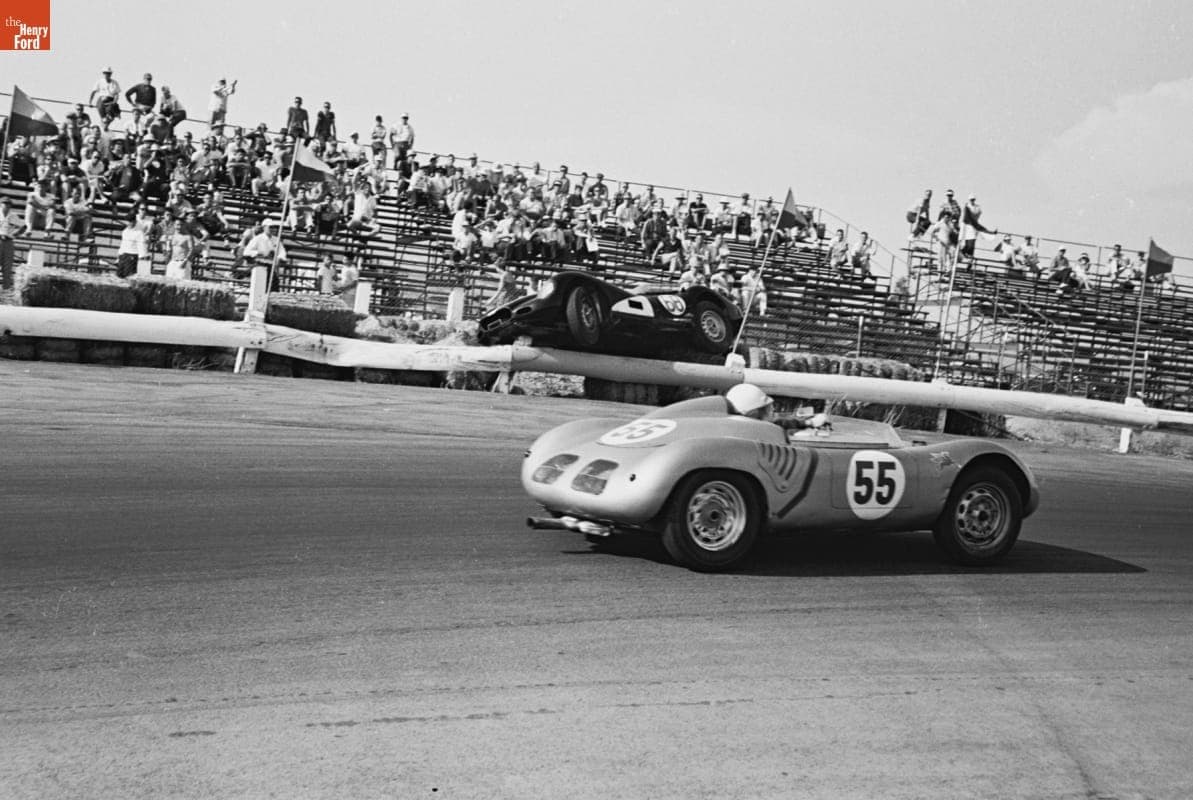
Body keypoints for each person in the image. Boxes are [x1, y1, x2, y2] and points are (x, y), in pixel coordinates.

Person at [724, 383, 829, 431]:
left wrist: (808, 422)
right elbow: (774, 426)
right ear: (753, 414)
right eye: (765, 408)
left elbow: (776, 424)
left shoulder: (734, 427)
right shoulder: (759, 434)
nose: (772, 410)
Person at [115, 213, 147, 278]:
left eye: (130, 221)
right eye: (128, 221)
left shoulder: (139, 233)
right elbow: (123, 245)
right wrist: (119, 256)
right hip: (123, 256)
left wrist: (142, 257)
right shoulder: (125, 231)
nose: (129, 223)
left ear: (134, 221)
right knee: (119, 276)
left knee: (129, 276)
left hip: (132, 256)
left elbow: (142, 246)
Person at [0, 198, 21, 290]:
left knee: (7, 268)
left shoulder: (14, 216)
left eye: (8, 203)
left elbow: (23, 227)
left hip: (8, 241)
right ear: (1, 204)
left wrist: (15, 234)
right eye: (4, 203)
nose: (6, 205)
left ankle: (6, 292)